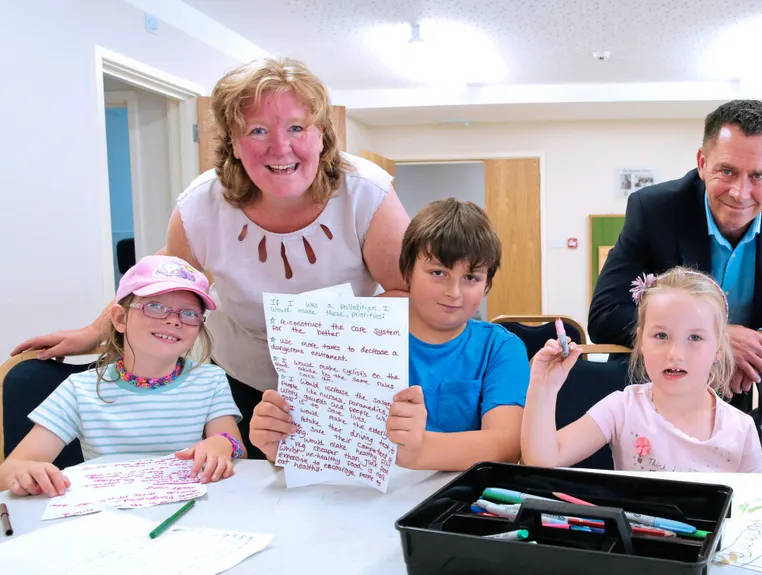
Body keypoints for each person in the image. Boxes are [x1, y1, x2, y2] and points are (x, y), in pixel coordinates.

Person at [12, 59, 411, 458]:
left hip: (344, 379)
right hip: (242, 373)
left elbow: (408, 290)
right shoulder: (203, 202)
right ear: (233, 144)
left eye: (296, 127)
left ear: (321, 134)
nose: (281, 147)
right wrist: (95, 332)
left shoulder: (366, 192)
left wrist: (319, 336)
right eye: (257, 130)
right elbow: (163, 279)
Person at [589, 100, 762, 400]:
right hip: (658, 390)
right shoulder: (654, 210)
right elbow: (605, 316)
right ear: (702, 163)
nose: (740, 193)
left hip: (748, 386)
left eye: (758, 176)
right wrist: (716, 339)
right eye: (726, 171)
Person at [249, 199, 529, 470]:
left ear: (487, 284)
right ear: (407, 272)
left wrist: (418, 450)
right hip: (357, 499)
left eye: (471, 278)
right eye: (437, 273)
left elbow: (506, 444)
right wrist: (282, 445)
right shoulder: (352, 336)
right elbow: (318, 435)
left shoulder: (501, 348)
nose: (454, 292)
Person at [0, 256, 245, 497]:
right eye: (155, 307)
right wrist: (27, 473)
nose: (173, 320)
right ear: (119, 319)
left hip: (188, 512)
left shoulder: (210, 381)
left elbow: (236, 447)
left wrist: (222, 444)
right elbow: (9, 471)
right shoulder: (79, 390)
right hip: (106, 517)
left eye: (189, 313)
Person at [522, 267, 762, 473]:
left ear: (719, 348)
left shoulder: (740, 430)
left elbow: (753, 509)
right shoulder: (621, 408)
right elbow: (543, 459)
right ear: (641, 342)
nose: (675, 354)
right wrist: (543, 388)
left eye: (695, 337)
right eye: (661, 335)